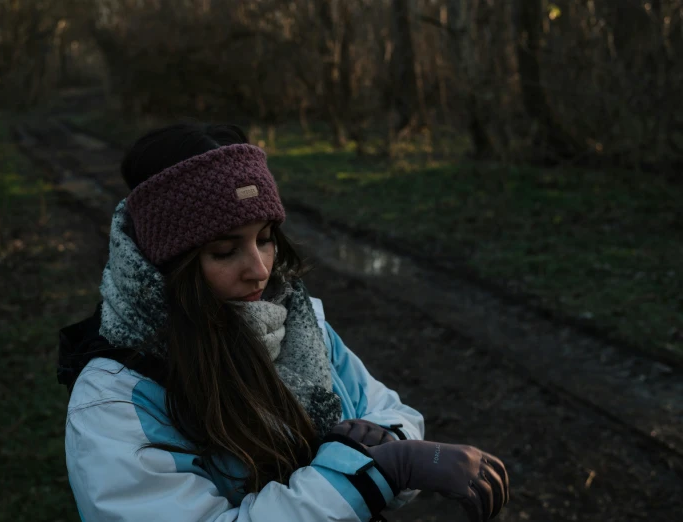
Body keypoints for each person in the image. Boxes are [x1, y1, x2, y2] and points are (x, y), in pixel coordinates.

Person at [57, 123, 510, 522]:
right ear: (164, 263)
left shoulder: (296, 322)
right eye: (224, 251)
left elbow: (387, 407)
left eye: (266, 239)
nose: (259, 269)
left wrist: (387, 440)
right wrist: (373, 472)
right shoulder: (115, 399)